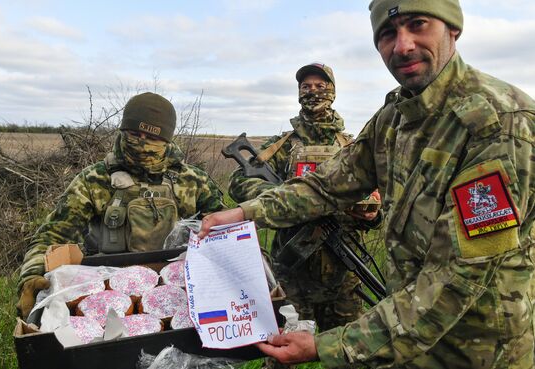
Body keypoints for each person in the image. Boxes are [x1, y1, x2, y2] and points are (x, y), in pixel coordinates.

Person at [199, 0, 535, 367]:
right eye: (388, 33)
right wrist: (245, 212)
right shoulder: (394, 117)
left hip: (476, 352)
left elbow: (455, 280)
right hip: (405, 341)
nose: (402, 45)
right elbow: (326, 185)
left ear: (453, 29)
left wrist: (326, 347)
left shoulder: (498, 123)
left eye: (418, 24)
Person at [17, 92, 226, 319]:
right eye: (135, 134)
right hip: (103, 297)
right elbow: (52, 236)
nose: (143, 142)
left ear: (167, 140)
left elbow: (227, 230)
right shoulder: (95, 180)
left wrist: (254, 264)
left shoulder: (192, 181)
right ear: (123, 131)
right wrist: (31, 276)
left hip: (181, 291)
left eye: (153, 138)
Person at [228, 62, 382, 336]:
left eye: (320, 86)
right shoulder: (282, 144)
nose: (313, 91)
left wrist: (373, 214)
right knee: (283, 350)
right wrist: (286, 201)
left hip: (343, 268)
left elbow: (377, 198)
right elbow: (238, 182)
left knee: (347, 351)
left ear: (332, 91)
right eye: (306, 87)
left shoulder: (350, 145)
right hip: (292, 272)